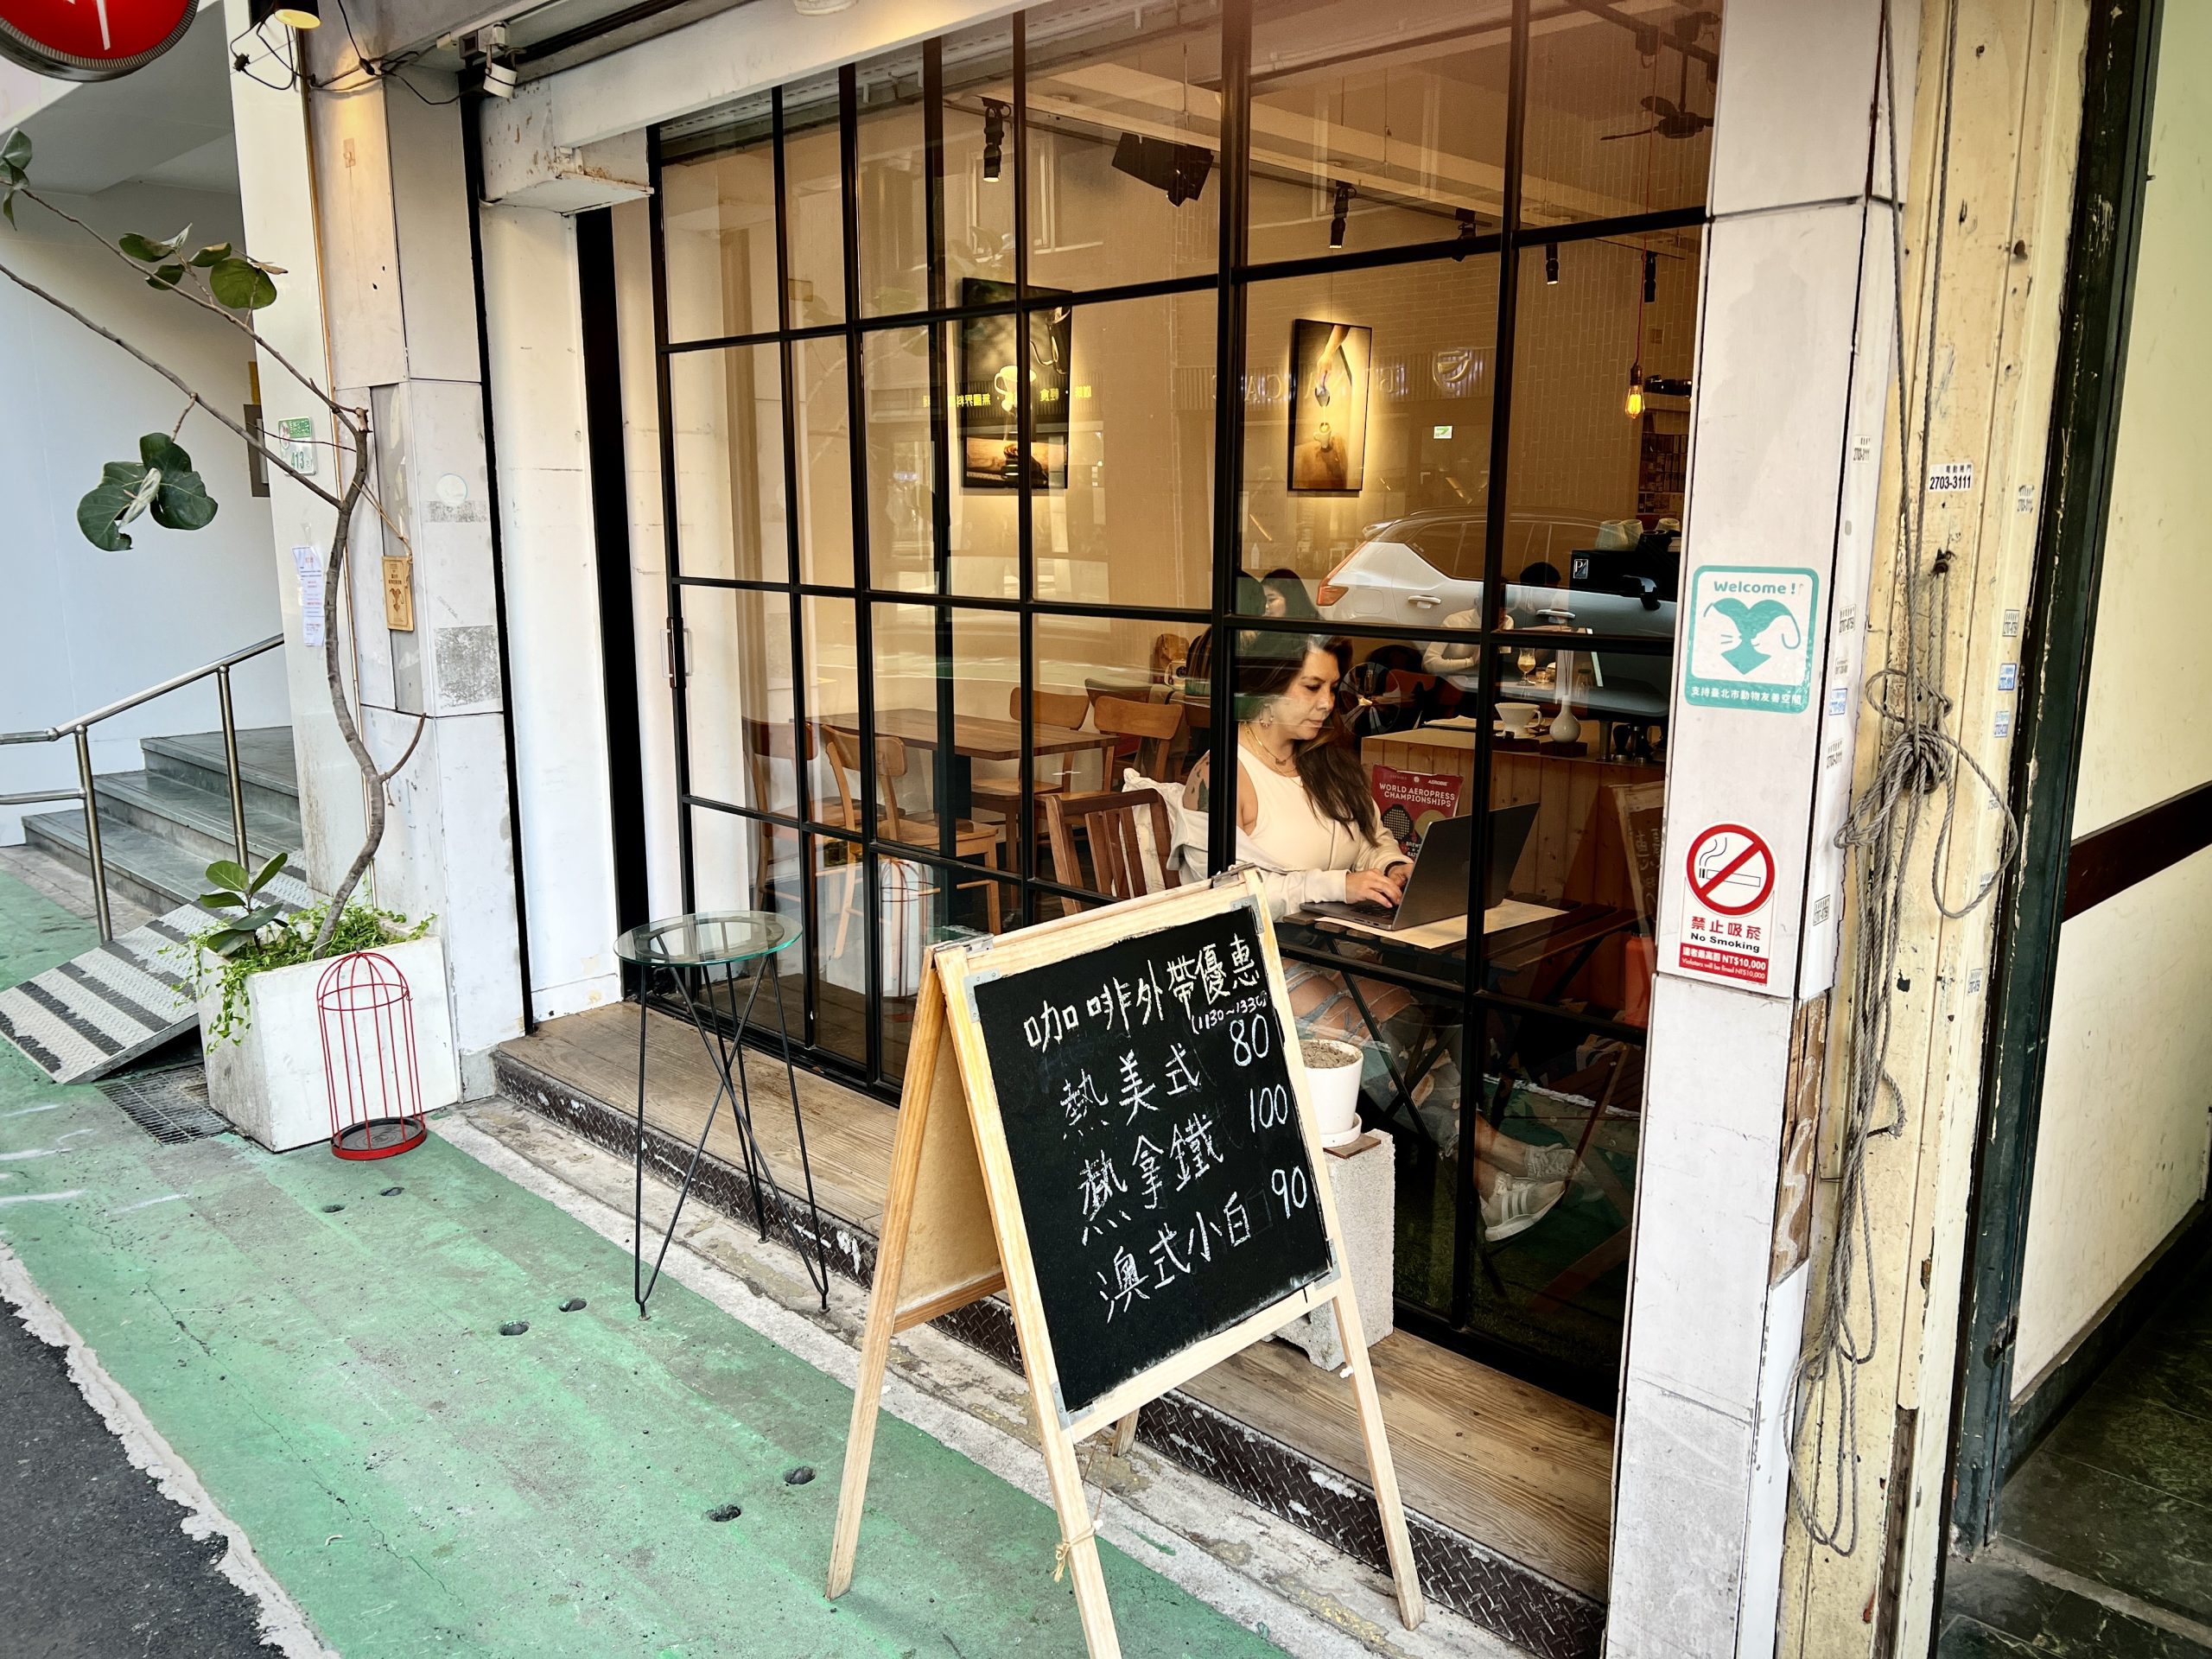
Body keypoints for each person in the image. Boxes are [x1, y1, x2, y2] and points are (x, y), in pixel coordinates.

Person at [1181, 632, 1570, 1239]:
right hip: (1244, 960)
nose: (1326, 702)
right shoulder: (1224, 774)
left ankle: (1492, 1173)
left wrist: (1389, 865)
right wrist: (1341, 883)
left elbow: (1374, 836)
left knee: (1403, 1021)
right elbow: (1227, 891)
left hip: (1324, 943)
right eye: (1311, 687)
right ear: (1262, 693)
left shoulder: (1323, 760)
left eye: (1331, 688)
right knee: (1369, 1032)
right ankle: (1499, 1163)